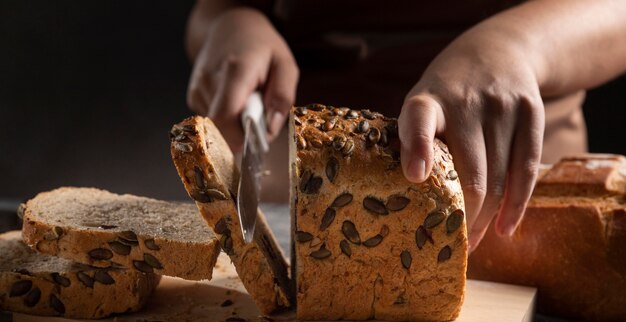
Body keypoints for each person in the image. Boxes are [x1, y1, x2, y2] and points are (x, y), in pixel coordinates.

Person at [184, 0, 626, 251]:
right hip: (294, 208)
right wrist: (231, 22)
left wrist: (514, 44)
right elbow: (212, 10)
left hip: (515, 209)